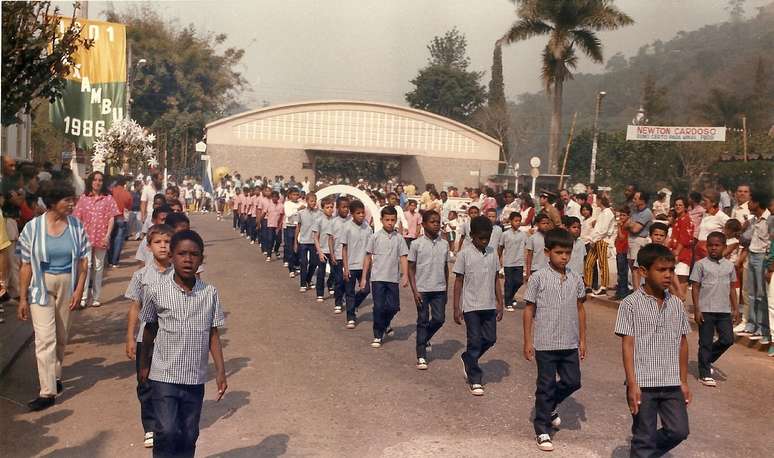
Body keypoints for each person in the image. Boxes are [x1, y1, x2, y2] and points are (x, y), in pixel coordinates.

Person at [139, 230, 227, 458]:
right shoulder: (156, 290)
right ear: (171, 257)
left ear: (201, 259)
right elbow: (149, 329)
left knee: (189, 434)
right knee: (166, 430)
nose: (188, 259)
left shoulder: (210, 294)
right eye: (182, 254)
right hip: (163, 375)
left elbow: (213, 334)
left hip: (194, 377)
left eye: (194, 254)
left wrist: (220, 371)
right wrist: (144, 364)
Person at [16, 181, 90, 411]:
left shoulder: (76, 226)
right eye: (67, 200)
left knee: (60, 336)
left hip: (67, 285)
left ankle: (55, 376)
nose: (72, 204)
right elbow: (25, 264)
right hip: (40, 284)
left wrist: (79, 290)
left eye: (72, 199)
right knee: (45, 338)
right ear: (52, 203)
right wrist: (22, 298)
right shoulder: (32, 228)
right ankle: (46, 392)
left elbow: (84, 261)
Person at [615, 243, 691, 458]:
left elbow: (682, 344)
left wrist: (683, 381)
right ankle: (642, 449)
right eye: (661, 270)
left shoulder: (676, 304)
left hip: (671, 382)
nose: (668, 275)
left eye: (671, 270)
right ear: (644, 272)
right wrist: (632, 383)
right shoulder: (630, 304)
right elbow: (627, 344)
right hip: (643, 384)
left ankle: (642, 451)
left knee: (679, 430)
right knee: (644, 434)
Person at [523, 228, 587, 452]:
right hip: (545, 343)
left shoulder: (576, 278)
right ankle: (541, 429)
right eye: (559, 252)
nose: (564, 257)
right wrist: (527, 341)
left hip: (569, 342)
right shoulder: (538, 278)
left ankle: (549, 406)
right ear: (547, 252)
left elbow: (580, 309)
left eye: (568, 253)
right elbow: (529, 310)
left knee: (573, 381)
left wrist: (582, 339)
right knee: (546, 385)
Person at [124, 223, 175, 448]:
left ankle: (170, 423)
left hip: (174, 339)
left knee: (171, 382)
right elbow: (135, 306)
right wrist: (129, 337)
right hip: (146, 340)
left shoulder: (181, 273)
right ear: (149, 246)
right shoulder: (141, 275)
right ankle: (151, 427)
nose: (163, 247)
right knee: (145, 382)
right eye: (158, 242)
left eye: (167, 242)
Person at [452, 216, 503, 396]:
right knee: (474, 341)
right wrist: (456, 307)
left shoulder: (493, 253)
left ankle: (468, 358)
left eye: (487, 238)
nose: (484, 241)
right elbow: (458, 281)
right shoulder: (464, 254)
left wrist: (500, 302)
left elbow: (496, 279)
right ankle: (475, 378)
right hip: (471, 306)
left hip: (488, 305)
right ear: (472, 235)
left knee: (490, 339)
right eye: (480, 238)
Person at [690, 231, 738, 387]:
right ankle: (704, 374)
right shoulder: (700, 264)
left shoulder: (730, 266)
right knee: (705, 341)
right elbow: (695, 287)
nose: (713, 248)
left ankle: (706, 359)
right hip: (705, 309)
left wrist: (735, 309)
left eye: (717, 245)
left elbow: (732, 288)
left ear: (724, 247)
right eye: (710, 245)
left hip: (724, 310)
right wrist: (697, 309)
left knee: (727, 339)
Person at [361, 205, 409, 348]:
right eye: (387, 219)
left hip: (393, 278)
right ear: (381, 220)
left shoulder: (399, 238)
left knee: (394, 307)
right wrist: (364, 277)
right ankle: (378, 334)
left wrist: (405, 275)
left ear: (396, 221)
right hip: (377, 278)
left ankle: (386, 322)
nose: (390, 222)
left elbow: (403, 257)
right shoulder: (375, 237)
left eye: (392, 220)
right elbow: (368, 257)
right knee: (379, 307)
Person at [408, 210, 449, 370]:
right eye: (432, 222)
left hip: (439, 288)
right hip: (422, 289)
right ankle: (421, 354)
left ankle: (424, 339)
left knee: (439, 319)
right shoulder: (416, 244)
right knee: (422, 321)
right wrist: (415, 290)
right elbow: (411, 268)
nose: (436, 224)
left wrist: (446, 289)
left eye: (438, 222)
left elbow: (445, 267)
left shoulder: (444, 244)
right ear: (424, 224)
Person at [73, 171, 120, 307]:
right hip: (85, 238)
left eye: (100, 180)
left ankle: (96, 297)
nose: (97, 182)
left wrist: (108, 235)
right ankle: (83, 297)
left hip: (101, 237)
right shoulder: (83, 198)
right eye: (95, 180)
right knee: (86, 266)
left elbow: (112, 217)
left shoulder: (108, 199)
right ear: (90, 182)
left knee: (98, 268)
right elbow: (77, 217)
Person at [741, 192, 771, 341]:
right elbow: (744, 239)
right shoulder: (753, 220)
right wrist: (743, 228)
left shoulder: (768, 220)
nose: (748, 204)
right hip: (751, 255)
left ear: (758, 203)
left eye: (751, 201)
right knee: (751, 292)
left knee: (761, 293)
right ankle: (751, 324)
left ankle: (762, 326)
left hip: (761, 257)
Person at [341, 200, 372, 328]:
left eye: (363, 213)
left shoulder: (368, 228)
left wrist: (369, 267)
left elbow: (369, 251)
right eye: (358, 213)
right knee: (349, 292)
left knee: (365, 290)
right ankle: (351, 317)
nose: (361, 215)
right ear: (352, 214)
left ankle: (354, 306)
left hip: (364, 265)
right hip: (351, 266)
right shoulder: (347, 227)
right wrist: (346, 268)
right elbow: (344, 249)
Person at [584, 196, 615, 296]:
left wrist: (594, 239)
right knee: (589, 262)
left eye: (597, 200)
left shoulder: (607, 213)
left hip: (603, 240)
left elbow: (604, 230)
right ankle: (588, 285)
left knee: (603, 264)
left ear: (600, 201)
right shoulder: (601, 212)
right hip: (596, 240)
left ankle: (604, 287)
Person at [626, 191, 653, 295]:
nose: (633, 200)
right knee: (632, 268)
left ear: (642, 200)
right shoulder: (635, 212)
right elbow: (626, 225)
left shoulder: (647, 213)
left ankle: (639, 292)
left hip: (639, 241)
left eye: (636, 199)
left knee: (637, 268)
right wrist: (630, 225)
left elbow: (635, 229)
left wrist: (630, 225)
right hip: (631, 241)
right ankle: (635, 291)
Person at [327, 196, 350, 314]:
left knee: (348, 280)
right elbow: (330, 239)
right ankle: (338, 302)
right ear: (338, 208)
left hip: (349, 257)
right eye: (343, 207)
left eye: (347, 207)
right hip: (337, 256)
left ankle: (346, 297)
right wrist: (332, 255)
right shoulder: (333, 222)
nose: (346, 209)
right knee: (339, 280)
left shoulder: (352, 221)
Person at [499, 212, 527, 312]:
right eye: (515, 221)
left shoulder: (523, 234)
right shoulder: (505, 234)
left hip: (519, 262)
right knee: (509, 283)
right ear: (510, 221)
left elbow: (527, 247)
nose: (518, 223)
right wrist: (499, 260)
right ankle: (507, 303)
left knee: (519, 281)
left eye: (519, 221)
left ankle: (510, 297)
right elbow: (501, 247)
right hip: (508, 263)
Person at [669, 197, 694, 300]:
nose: (678, 207)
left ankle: (680, 303)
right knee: (672, 279)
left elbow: (684, 238)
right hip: (675, 251)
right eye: (676, 205)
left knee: (681, 280)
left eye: (680, 205)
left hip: (683, 254)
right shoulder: (677, 220)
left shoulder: (686, 220)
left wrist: (677, 253)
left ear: (685, 207)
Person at [312, 197, 336, 302]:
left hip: (333, 251)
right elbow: (315, 238)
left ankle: (330, 283)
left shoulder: (336, 220)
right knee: (321, 273)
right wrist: (320, 252)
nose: (330, 209)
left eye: (331, 207)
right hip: (322, 250)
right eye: (327, 207)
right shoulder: (319, 220)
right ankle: (320, 293)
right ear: (323, 208)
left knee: (335, 271)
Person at [295, 192, 320, 292]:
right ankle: (302, 284)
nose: (313, 203)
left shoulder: (319, 213)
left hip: (314, 242)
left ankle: (308, 280)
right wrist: (295, 242)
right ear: (307, 201)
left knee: (314, 262)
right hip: (304, 241)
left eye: (315, 201)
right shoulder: (301, 213)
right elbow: (298, 227)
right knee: (303, 263)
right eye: (311, 201)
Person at [696, 191, 729, 261]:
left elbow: (733, 229)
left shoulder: (721, 216)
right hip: (699, 249)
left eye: (705, 201)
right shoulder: (704, 214)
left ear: (713, 203)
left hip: (710, 249)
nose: (702, 202)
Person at [109, 176, 134, 267]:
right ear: (124, 184)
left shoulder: (111, 192)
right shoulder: (127, 194)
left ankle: (110, 260)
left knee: (110, 238)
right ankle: (114, 261)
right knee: (118, 240)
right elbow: (129, 207)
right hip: (121, 218)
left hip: (111, 218)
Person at [525, 213, 554, 280]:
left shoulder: (551, 238)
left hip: (549, 269)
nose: (546, 225)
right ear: (537, 224)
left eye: (547, 223)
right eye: (543, 223)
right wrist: (528, 272)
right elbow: (529, 256)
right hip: (536, 269)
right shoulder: (532, 238)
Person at [282, 188, 304, 276]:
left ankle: (296, 264)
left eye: (297, 195)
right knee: (290, 248)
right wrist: (298, 209)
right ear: (290, 195)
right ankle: (291, 269)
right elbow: (288, 214)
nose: (295, 196)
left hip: (299, 227)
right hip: (290, 227)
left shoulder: (301, 203)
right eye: (293, 195)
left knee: (299, 248)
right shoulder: (287, 204)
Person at [261, 191, 284, 262]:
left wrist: (279, 226)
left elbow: (282, 216)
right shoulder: (268, 205)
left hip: (278, 226)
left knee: (279, 240)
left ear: (278, 198)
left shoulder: (281, 205)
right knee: (270, 240)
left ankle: (276, 250)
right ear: (271, 198)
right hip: (270, 225)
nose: (274, 198)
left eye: (276, 197)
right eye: (273, 197)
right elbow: (264, 213)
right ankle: (269, 255)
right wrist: (259, 222)